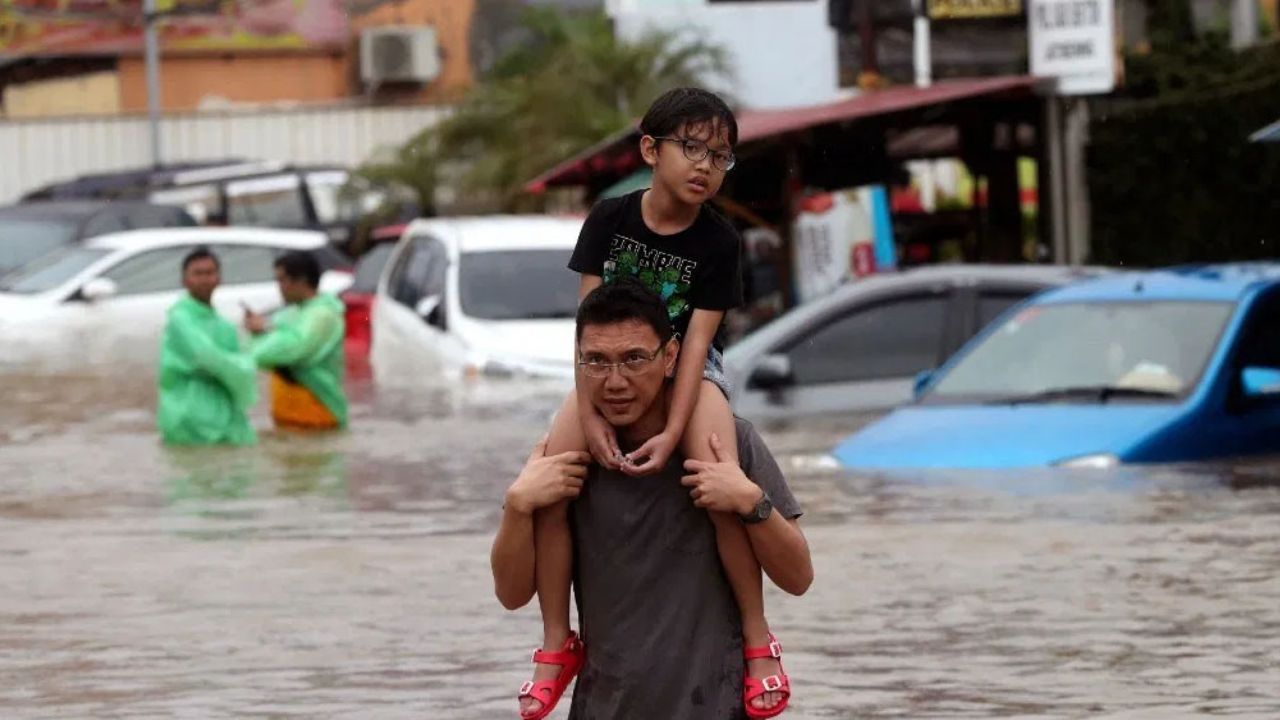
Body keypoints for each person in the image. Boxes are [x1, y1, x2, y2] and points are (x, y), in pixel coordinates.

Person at [522, 87, 789, 719]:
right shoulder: (609, 219)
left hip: (694, 368)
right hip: (610, 365)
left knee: (716, 474)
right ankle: (557, 644)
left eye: (721, 157)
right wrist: (587, 411)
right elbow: (587, 328)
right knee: (554, 483)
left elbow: (697, 342)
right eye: (691, 148)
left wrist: (673, 431)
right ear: (650, 149)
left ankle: (757, 641)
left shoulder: (720, 241)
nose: (704, 166)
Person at [492, 280, 813, 719]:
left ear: (671, 358)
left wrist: (751, 502)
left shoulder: (725, 445)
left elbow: (798, 577)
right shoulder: (566, 461)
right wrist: (518, 505)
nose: (615, 382)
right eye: (597, 362)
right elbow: (511, 595)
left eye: (634, 359)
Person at [157, 246, 258, 446]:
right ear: (184, 280)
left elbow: (239, 358)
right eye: (198, 274)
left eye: (210, 273)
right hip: (188, 413)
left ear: (219, 278)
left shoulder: (224, 325)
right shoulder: (180, 318)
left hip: (223, 412)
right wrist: (244, 366)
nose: (204, 279)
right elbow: (207, 357)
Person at [243, 250, 347, 430]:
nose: (279, 287)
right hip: (289, 413)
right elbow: (266, 350)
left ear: (301, 281)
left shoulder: (322, 315)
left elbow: (292, 348)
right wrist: (259, 332)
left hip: (317, 412)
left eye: (282, 280)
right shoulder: (293, 313)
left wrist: (265, 331)